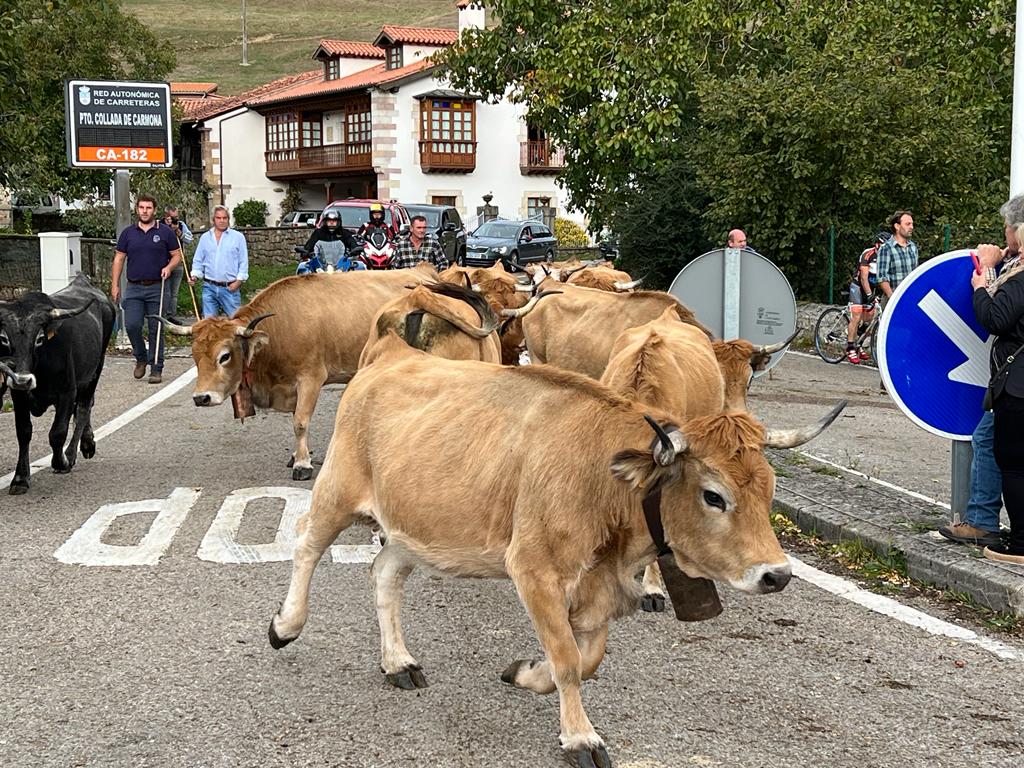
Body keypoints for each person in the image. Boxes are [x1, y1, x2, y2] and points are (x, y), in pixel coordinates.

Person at [970, 193, 1024, 564]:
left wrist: (982, 282)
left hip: (1018, 385)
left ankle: (1020, 543)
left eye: (1007, 226)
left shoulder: (1021, 276)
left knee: (1015, 463)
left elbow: (997, 318)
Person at [112, 194, 182, 385]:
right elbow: (119, 259)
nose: (145, 211)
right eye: (142, 207)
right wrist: (115, 284)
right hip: (134, 287)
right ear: (137, 210)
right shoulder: (128, 233)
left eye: (148, 208)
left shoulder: (166, 232)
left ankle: (156, 368)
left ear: (154, 210)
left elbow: (176, 256)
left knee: (156, 328)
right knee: (132, 325)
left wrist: (169, 267)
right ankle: (141, 357)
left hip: (158, 287)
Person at [188, 205, 249, 318]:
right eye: (218, 218)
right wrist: (194, 276)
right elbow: (198, 260)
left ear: (228, 219)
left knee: (236, 322)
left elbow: (243, 262)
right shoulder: (205, 238)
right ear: (213, 220)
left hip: (230, 288)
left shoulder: (238, 238)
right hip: (209, 287)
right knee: (209, 325)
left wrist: (239, 282)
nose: (221, 221)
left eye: (224, 218)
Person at [844, 231, 888, 364]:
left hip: (872, 287)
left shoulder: (887, 258)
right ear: (877, 245)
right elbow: (864, 278)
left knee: (871, 318)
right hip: (858, 286)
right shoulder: (868, 254)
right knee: (857, 316)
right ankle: (850, 348)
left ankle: (859, 343)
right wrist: (869, 295)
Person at [876, 210, 918, 302]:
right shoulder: (886, 248)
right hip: (892, 302)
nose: (911, 227)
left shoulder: (913, 247)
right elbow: (882, 278)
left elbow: (915, 274)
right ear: (897, 226)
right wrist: (893, 299)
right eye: (908, 224)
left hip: (910, 299)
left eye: (912, 224)